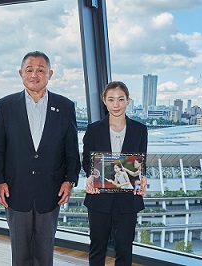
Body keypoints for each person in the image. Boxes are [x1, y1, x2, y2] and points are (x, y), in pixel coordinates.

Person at [0, 51, 81, 266]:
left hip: (51, 191)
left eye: (41, 70)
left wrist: (70, 180)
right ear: (21, 73)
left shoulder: (65, 106)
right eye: (29, 70)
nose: (34, 74)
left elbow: (71, 150)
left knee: (44, 252)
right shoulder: (6, 105)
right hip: (15, 189)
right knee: (19, 254)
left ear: (50, 74)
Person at [82, 81, 148, 265]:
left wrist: (142, 177)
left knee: (125, 250)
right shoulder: (93, 129)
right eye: (111, 99)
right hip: (99, 197)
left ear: (128, 101)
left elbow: (141, 161)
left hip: (128, 198)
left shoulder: (140, 130)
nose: (116, 104)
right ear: (104, 101)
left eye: (120, 99)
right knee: (97, 248)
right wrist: (90, 176)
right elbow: (87, 161)